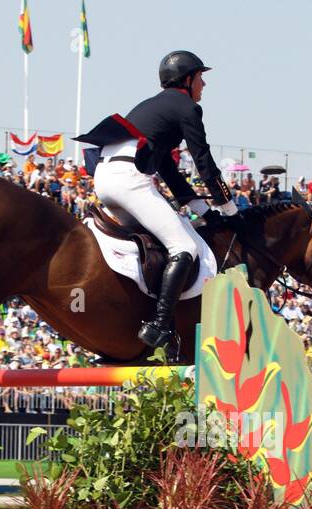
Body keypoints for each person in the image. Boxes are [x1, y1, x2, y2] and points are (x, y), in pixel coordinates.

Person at [74, 50, 236, 351]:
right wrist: (226, 206)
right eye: (201, 78)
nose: (204, 85)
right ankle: (159, 325)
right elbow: (203, 159)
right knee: (185, 246)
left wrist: (202, 209)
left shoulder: (154, 107)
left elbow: (169, 171)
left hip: (106, 178)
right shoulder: (186, 107)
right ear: (187, 80)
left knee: (155, 243)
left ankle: (139, 314)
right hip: (129, 180)